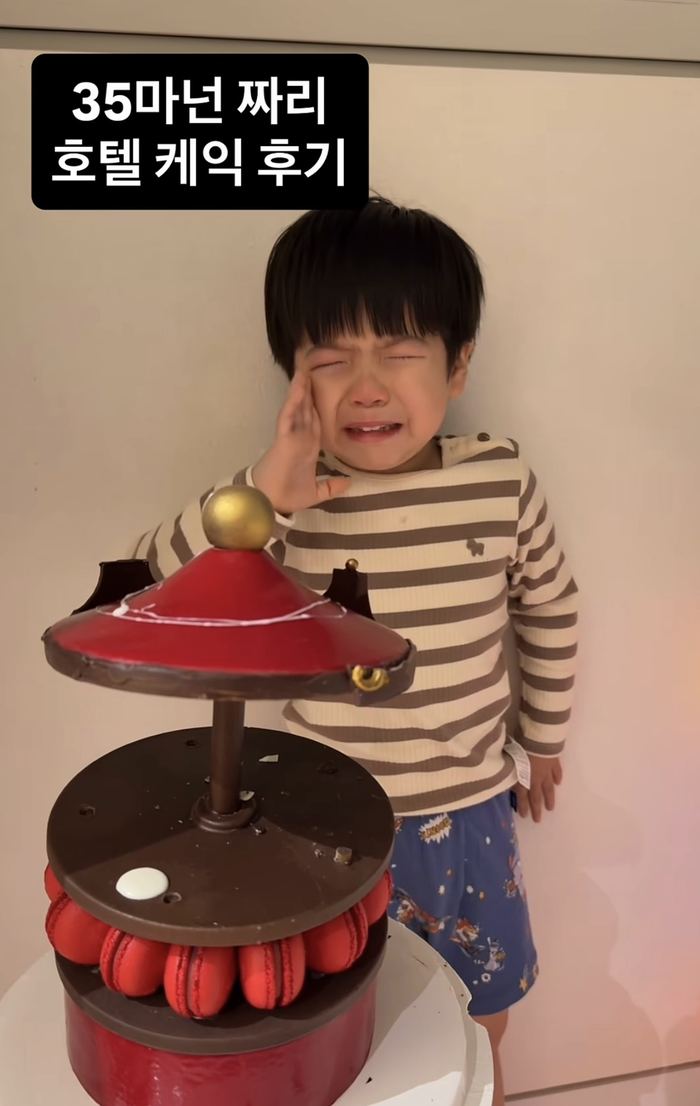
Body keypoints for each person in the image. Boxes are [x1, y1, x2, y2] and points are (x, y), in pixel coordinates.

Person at [130, 197, 578, 1106]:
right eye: (331, 359)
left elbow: (550, 604)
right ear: (292, 375)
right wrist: (261, 493)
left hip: (471, 812)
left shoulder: (498, 479)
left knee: (482, 1018)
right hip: (324, 829)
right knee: (341, 1037)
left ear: (458, 365)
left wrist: (545, 736)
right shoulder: (283, 503)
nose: (367, 387)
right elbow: (141, 596)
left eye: (401, 352)